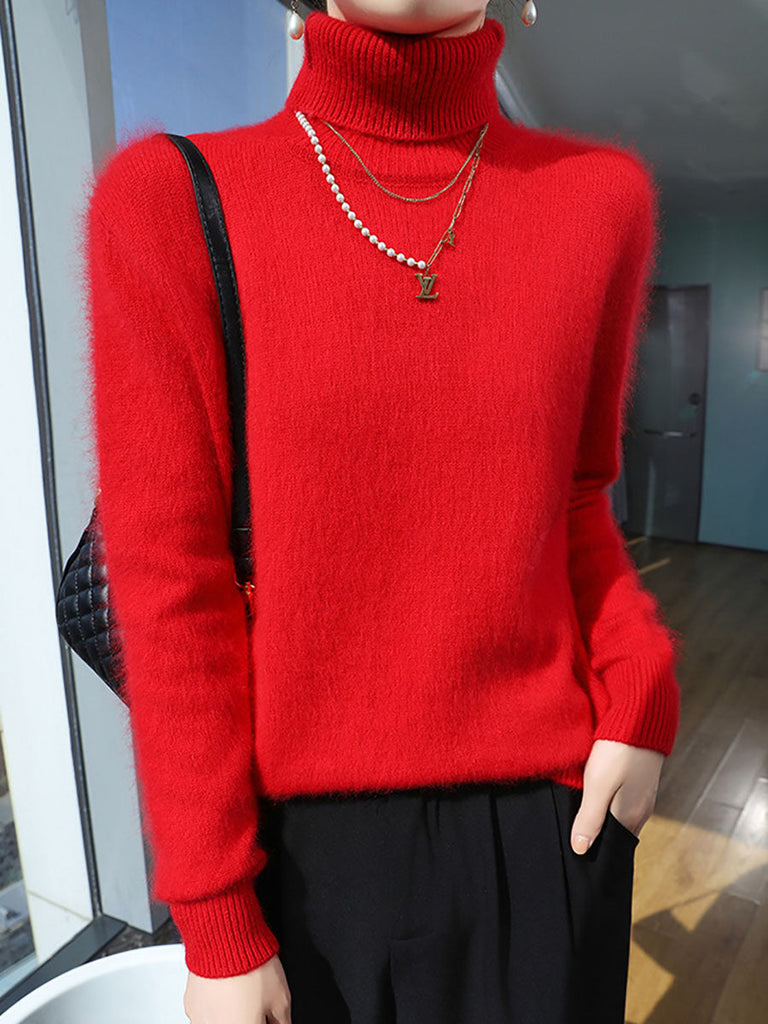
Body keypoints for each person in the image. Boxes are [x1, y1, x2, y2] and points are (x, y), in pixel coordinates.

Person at [81, 1, 683, 1022]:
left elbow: (577, 494)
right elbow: (170, 578)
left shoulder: (601, 199)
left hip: (553, 820)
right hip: (302, 863)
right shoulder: (170, 200)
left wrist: (639, 676)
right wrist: (215, 911)